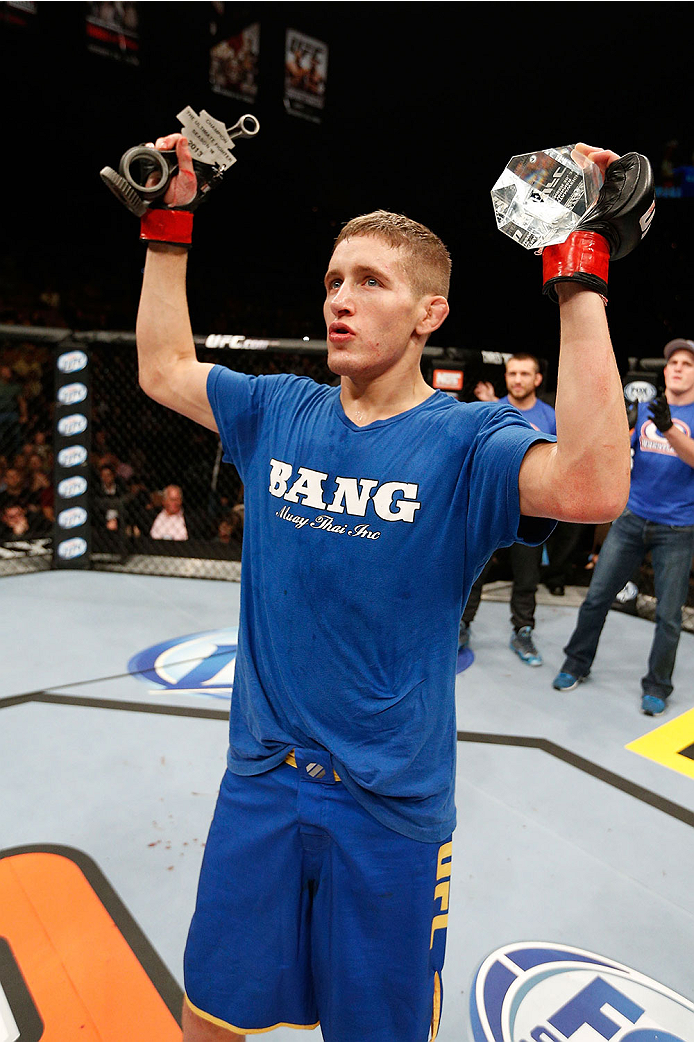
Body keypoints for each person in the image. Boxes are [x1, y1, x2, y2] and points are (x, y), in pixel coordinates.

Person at [131, 131, 649, 1041]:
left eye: (371, 283)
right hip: (262, 782)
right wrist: (169, 225)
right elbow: (163, 369)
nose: (340, 300)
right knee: (208, 1017)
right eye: (334, 280)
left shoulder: (469, 441)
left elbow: (595, 486)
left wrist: (578, 273)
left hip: (390, 808)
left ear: (428, 314)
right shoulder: (277, 410)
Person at [553, 337, 694, 716]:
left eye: (687, 364)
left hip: (678, 529)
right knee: (597, 597)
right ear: (665, 371)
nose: (678, 368)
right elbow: (617, 457)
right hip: (632, 518)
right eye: (674, 363)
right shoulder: (646, 408)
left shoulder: (676, 416)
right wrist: (621, 431)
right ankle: (576, 663)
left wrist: (669, 429)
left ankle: (658, 686)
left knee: (668, 615)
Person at [459, 353, 556, 665]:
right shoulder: (489, 410)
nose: (517, 379)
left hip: (531, 513)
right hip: (487, 509)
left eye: (525, 374)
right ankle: (461, 626)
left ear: (537, 379)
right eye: (512, 373)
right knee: (473, 574)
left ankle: (523, 631)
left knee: (527, 578)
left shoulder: (550, 415)